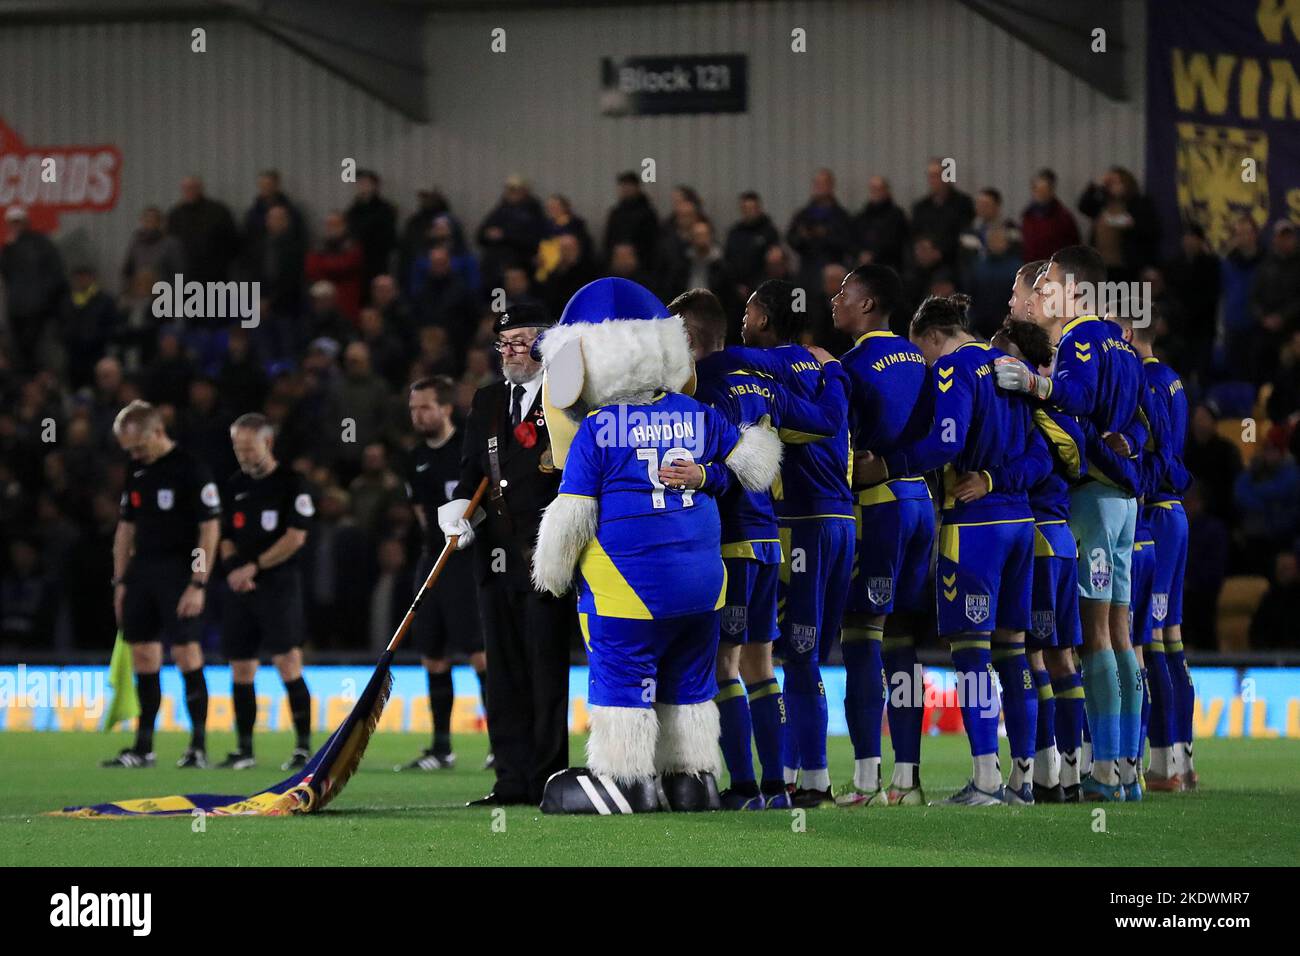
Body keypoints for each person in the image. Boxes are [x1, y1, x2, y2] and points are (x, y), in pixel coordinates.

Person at [857, 294, 1048, 805]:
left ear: (930, 337)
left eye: (922, 353)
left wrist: (890, 464)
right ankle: (1021, 780)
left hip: (976, 529)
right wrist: (996, 477)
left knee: (971, 656)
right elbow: (1040, 455)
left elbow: (946, 441)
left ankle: (985, 779)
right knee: (1014, 653)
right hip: (1021, 522)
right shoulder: (1008, 366)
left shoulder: (953, 369)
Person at [671, 288, 847, 810]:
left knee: (725, 666)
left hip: (733, 542)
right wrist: (834, 372)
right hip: (770, 538)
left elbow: (715, 463)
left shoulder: (707, 387)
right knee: (760, 665)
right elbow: (824, 422)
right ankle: (777, 787)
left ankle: (746, 786)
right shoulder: (766, 386)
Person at [995, 245, 1148, 801]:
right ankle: (1126, 767)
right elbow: (1140, 424)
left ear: (1076, 291)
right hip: (1123, 502)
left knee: (1097, 635)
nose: (1041, 292)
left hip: (1091, 501)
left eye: (1049, 283)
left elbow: (1078, 397)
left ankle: (1106, 768)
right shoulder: (1123, 345)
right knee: (1121, 634)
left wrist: (1033, 384)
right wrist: (1126, 445)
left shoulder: (1082, 335)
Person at [727, 280, 855, 808]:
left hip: (796, 522)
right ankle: (805, 773)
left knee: (790, 656)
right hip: (845, 519)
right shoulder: (829, 366)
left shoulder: (758, 367)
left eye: (749, 308)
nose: (744, 317)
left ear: (763, 319)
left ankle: (810, 781)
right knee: (808, 656)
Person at [440, 303, 572, 806]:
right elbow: (472, 470)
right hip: (493, 556)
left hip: (546, 555)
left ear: (545, 344)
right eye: (504, 342)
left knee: (545, 669)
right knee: (503, 673)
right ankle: (510, 781)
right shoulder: (488, 400)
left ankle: (548, 778)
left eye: (521, 340)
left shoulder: (566, 397)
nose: (511, 350)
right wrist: (457, 509)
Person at [820, 264, 933, 806]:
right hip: (922, 504)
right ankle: (907, 779)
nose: (835, 300)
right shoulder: (921, 358)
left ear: (867, 306)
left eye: (844, 293)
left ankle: (866, 781)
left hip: (879, 507)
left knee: (861, 636)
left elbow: (840, 440)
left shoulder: (852, 365)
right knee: (903, 640)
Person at [104, 401, 221, 768]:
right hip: (142, 574)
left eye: (138, 446)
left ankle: (198, 746)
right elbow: (126, 529)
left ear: (157, 432)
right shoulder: (137, 470)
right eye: (129, 449)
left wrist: (198, 582)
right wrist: (121, 581)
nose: (134, 454)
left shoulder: (191, 469)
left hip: (180, 573)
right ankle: (143, 747)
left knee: (186, 653)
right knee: (143, 655)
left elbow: (209, 528)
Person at [400, 376, 490, 772]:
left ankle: (498, 745)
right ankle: (441, 748)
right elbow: (422, 515)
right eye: (413, 408)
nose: (417, 415)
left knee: (480, 655)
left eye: (425, 407)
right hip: (430, 563)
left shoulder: (467, 452)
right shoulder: (414, 458)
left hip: (466, 567)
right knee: (432, 655)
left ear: (446, 408)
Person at [217, 413, 315, 770]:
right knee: (240, 667)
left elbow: (296, 537)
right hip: (241, 588)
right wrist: (233, 570)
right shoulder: (233, 485)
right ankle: (244, 750)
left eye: (248, 449)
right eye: (237, 449)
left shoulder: (292, 483)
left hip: (278, 586)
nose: (242, 456)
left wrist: (253, 567)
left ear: (268, 443)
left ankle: (303, 747)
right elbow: (224, 535)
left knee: (287, 662)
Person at [1126, 314, 1196, 791]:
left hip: (1156, 516)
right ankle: (1181, 761)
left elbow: (1160, 456)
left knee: (1151, 642)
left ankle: (1160, 763)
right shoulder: (1172, 380)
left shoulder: (1146, 382)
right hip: (1173, 515)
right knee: (1169, 639)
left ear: (1128, 334)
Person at [1019, 169, 1079, 263]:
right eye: (1037, 190)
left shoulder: (1063, 217)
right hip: (1033, 269)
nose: (1039, 194)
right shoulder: (1027, 216)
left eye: (1043, 190)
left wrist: (1069, 277)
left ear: (1051, 191)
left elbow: (1073, 248)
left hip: (1056, 269)